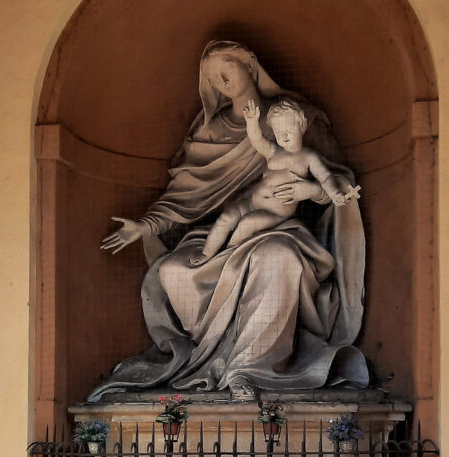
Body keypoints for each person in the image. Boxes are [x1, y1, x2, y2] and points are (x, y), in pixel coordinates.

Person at [92, 40, 369, 401]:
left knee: (276, 260)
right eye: (212, 79)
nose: (222, 81)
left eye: (227, 70)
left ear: (250, 64)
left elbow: (336, 183)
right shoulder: (209, 131)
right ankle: (213, 358)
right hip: (221, 232)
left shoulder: (296, 118)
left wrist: (308, 191)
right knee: (171, 271)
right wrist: (147, 226)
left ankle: (249, 370)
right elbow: (186, 195)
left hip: (279, 230)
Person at [188, 98, 359, 267]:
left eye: (288, 130)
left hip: (275, 212)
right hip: (251, 203)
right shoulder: (273, 152)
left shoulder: (308, 157)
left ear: (302, 125)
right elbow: (257, 141)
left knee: (247, 224)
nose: (283, 136)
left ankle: (227, 259)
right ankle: (207, 253)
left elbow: (326, 178)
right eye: (278, 131)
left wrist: (334, 193)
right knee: (225, 218)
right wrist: (252, 122)